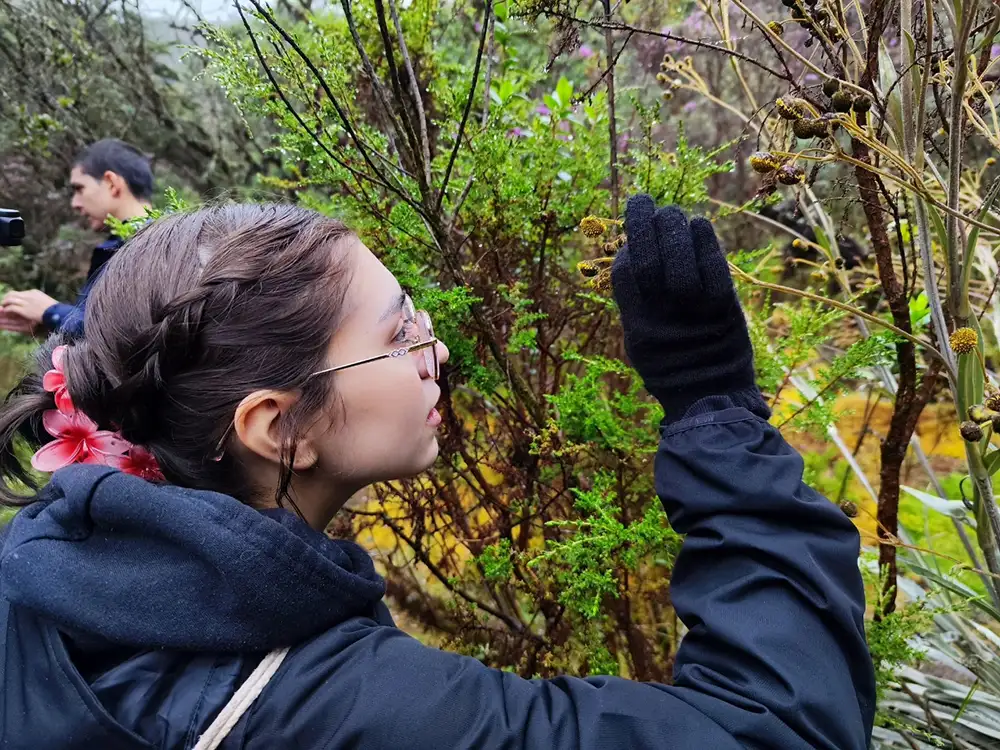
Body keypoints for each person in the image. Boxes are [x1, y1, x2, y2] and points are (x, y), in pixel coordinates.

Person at [0, 196, 876, 749]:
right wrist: (713, 412)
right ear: (278, 426)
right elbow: (775, 732)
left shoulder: (48, 578)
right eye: (398, 334)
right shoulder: (324, 707)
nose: (439, 350)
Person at [0, 139, 153, 338]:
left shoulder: (150, 251)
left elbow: (124, 335)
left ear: (112, 183)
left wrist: (51, 311)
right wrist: (48, 325)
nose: (75, 203)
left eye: (80, 189)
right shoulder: (133, 243)